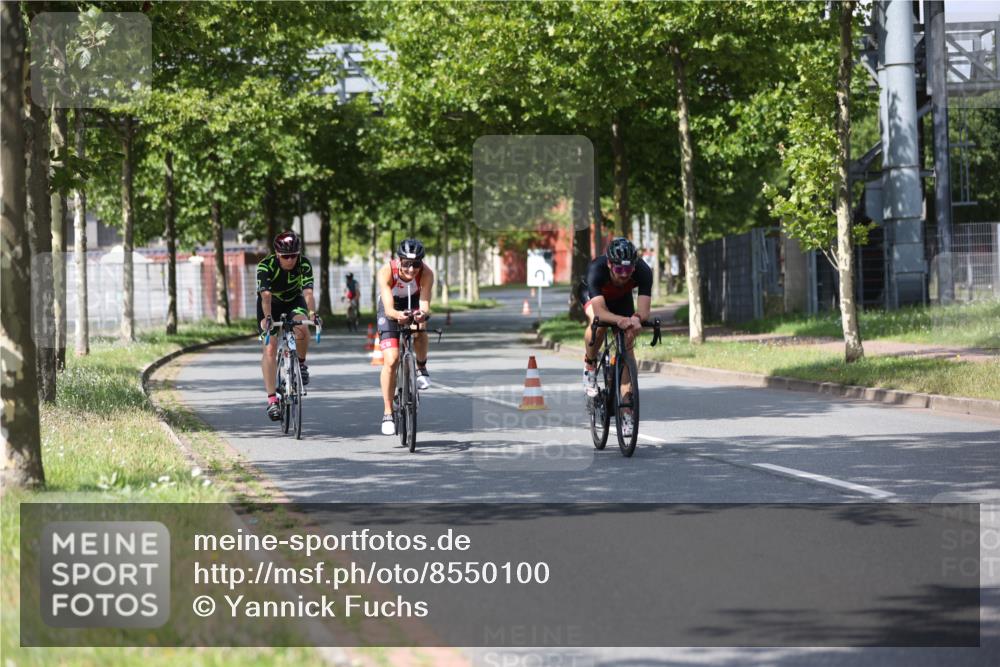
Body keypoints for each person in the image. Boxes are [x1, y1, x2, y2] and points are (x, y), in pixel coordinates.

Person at [580, 237, 652, 436]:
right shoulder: (597, 269)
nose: (623, 275)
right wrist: (620, 319)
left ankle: (626, 409)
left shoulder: (644, 271)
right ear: (610, 264)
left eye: (628, 271)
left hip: (621, 299)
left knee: (628, 343)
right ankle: (590, 366)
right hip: (594, 297)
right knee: (599, 324)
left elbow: (644, 311)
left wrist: (636, 319)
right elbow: (601, 312)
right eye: (619, 270)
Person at [257, 231, 320, 421]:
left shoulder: (304, 263)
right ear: (277, 254)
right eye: (286, 256)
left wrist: (313, 314)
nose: (290, 260)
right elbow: (265, 297)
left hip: (294, 301)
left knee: (302, 327)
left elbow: (308, 293)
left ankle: (300, 364)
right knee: (270, 348)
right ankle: (271, 400)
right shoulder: (265, 266)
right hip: (270, 305)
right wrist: (268, 319)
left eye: (294, 255)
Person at [376, 238, 434, 435]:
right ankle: (387, 412)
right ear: (399, 260)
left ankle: (421, 367)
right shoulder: (386, 272)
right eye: (407, 264)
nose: (411, 269)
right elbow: (389, 309)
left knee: (421, 327)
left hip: (414, 302)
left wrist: (421, 314)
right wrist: (397, 316)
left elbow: (425, 304)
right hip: (390, 307)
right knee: (391, 360)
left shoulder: (426, 273)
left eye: (416, 264)